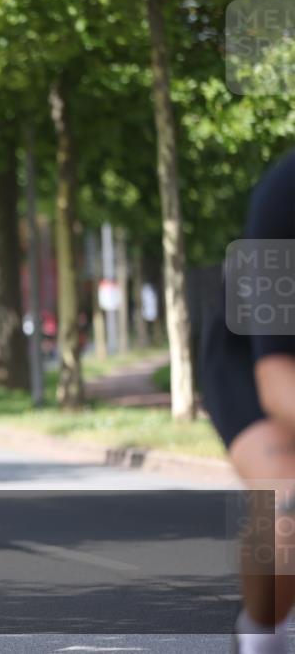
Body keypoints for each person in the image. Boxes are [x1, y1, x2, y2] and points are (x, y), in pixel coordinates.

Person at [201, 150, 295, 654]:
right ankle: (262, 636)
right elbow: (277, 379)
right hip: (258, 357)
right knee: (289, 506)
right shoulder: (286, 192)